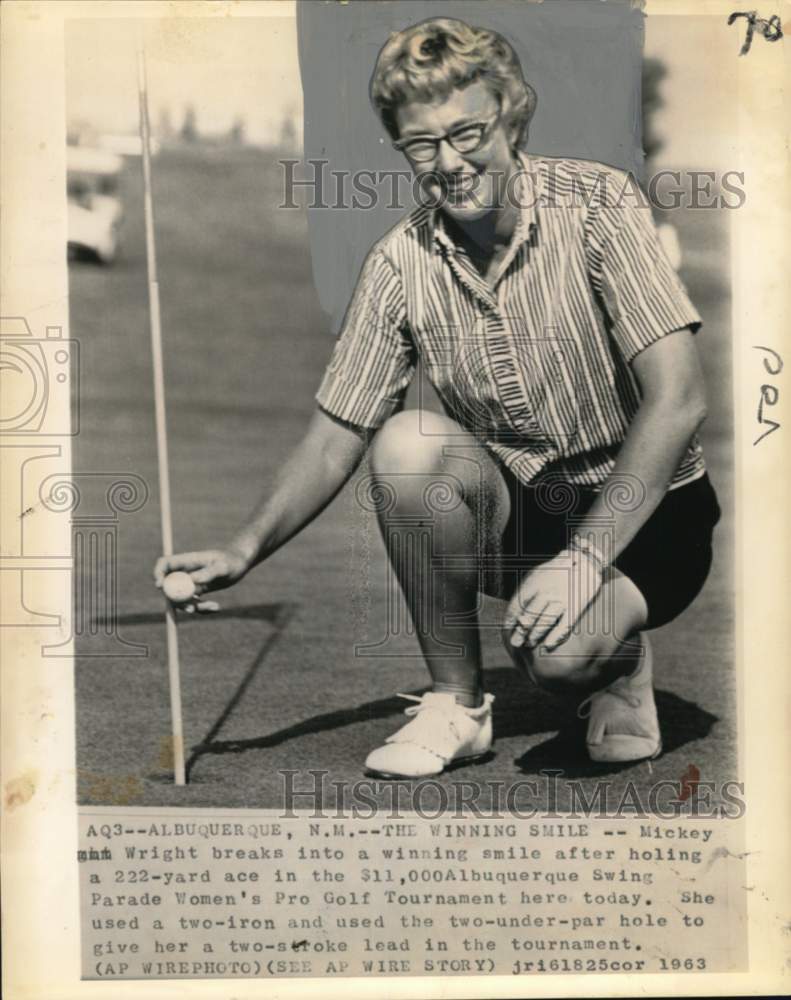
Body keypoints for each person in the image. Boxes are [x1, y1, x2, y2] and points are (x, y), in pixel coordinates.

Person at [154, 17, 720, 779]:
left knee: (557, 659)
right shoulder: (398, 263)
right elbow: (335, 435)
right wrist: (242, 548)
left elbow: (678, 400)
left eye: (467, 132)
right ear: (399, 146)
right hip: (527, 517)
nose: (449, 162)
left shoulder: (597, 205)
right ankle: (458, 703)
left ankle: (618, 669)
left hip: (652, 519)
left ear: (511, 112)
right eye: (422, 143)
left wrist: (586, 558)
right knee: (406, 443)